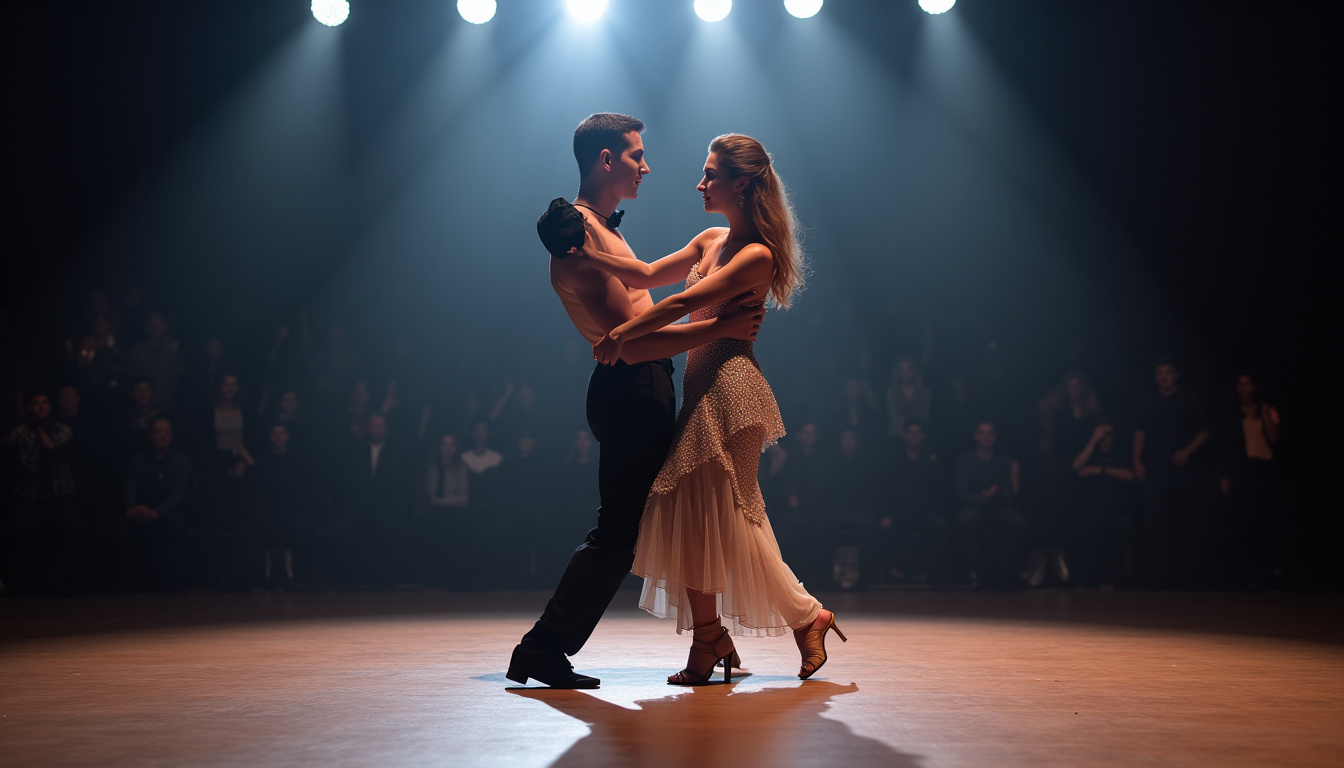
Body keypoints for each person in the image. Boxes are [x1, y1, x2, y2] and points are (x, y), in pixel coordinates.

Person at [506, 114, 765, 690]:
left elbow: (648, 281)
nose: (646, 166)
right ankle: (543, 648)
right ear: (605, 160)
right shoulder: (582, 237)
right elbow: (635, 341)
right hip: (633, 387)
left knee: (668, 516)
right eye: (635, 156)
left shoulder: (602, 233)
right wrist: (724, 329)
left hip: (640, 385)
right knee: (622, 533)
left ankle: (711, 636)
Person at [587, 133, 843, 685]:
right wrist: (586, 249)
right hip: (704, 385)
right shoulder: (711, 239)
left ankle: (783, 622)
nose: (700, 184)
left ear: (742, 184)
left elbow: (681, 303)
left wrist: (621, 335)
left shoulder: (756, 256)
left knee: (715, 512)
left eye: (710, 175)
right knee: (699, 514)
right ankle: (727, 637)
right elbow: (646, 276)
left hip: (731, 388)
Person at [1133, 358, 1210, 587]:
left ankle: (1188, 577)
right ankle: (1160, 577)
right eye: (1159, 373)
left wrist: (1187, 451)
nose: (1163, 377)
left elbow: (1205, 431)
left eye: (1167, 372)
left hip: (1186, 471)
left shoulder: (1188, 400)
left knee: (1191, 523)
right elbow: (1139, 431)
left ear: (1175, 375)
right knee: (1155, 524)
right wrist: (1137, 460)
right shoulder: (1148, 401)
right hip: (1156, 471)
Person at [1217, 373, 1282, 587]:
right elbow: (1225, 446)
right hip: (1241, 471)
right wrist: (1224, 475)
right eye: (1240, 385)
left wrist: (1264, 412)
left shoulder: (1266, 409)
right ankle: (1248, 573)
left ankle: (1268, 570)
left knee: (1266, 519)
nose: (1244, 389)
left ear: (1254, 387)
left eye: (1247, 384)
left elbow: (1273, 438)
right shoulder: (1232, 413)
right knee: (1245, 521)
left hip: (1263, 468)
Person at [954, 421, 1025, 587]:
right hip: (974, 508)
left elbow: (1010, 493)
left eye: (990, 433)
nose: (987, 436)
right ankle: (978, 572)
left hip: (998, 507)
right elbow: (962, 495)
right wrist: (981, 497)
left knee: (1019, 521)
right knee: (964, 521)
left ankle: (1002, 572)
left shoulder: (1004, 460)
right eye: (983, 433)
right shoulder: (966, 460)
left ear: (995, 436)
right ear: (976, 437)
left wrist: (997, 492)